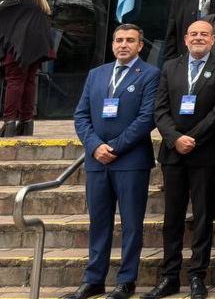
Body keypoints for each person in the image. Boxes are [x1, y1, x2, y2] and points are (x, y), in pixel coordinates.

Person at [68, 24, 160, 299]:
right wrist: (95, 147)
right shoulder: (97, 74)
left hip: (131, 161)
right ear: (112, 44)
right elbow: (81, 115)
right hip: (97, 162)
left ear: (140, 45)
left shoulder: (151, 74)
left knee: (131, 224)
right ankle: (94, 278)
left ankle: (126, 280)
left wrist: (115, 147)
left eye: (130, 40)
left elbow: (147, 118)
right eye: (119, 40)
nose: (123, 45)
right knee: (98, 222)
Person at [146, 20, 215, 299]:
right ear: (185, 39)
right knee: (171, 217)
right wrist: (175, 138)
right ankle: (169, 276)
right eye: (194, 34)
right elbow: (159, 109)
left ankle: (197, 274)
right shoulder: (170, 66)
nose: (198, 38)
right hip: (173, 154)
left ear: (213, 39)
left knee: (202, 216)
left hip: (205, 153)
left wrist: (192, 138)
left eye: (204, 34)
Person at [0, 0, 54, 136]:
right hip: (35, 49)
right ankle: (26, 123)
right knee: (29, 83)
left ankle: (9, 123)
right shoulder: (38, 0)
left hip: (17, 48)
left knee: (14, 82)